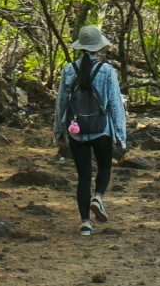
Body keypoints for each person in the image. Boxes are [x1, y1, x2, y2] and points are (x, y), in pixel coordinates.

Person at [53, 25, 126, 235]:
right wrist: (121, 135)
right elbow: (114, 104)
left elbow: (61, 104)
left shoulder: (68, 70)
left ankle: (85, 223)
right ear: (98, 48)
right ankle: (98, 197)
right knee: (104, 168)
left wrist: (58, 131)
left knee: (83, 176)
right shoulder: (107, 71)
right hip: (101, 129)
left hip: (76, 130)